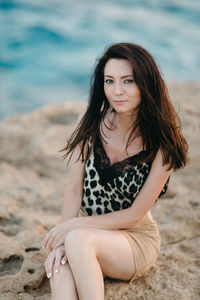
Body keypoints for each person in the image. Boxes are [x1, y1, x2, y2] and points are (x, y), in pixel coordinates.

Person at [43, 42, 189, 300]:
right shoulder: (90, 123)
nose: (117, 91)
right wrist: (63, 236)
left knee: (75, 240)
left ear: (146, 83)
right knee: (58, 263)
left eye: (128, 81)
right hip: (87, 234)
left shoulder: (163, 144)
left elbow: (135, 214)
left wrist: (74, 227)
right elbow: (74, 188)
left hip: (132, 240)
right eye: (109, 81)